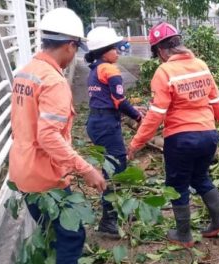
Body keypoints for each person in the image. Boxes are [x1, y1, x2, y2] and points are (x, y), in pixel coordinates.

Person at [9, 8, 106, 264]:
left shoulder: (26, 72)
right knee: (72, 236)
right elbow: (49, 136)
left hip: (23, 172)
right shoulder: (53, 81)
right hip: (45, 179)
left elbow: (20, 124)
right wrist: (86, 169)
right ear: (70, 46)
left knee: (53, 233)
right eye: (76, 48)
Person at [127, 22, 219, 248]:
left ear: (160, 50)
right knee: (200, 177)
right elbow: (217, 102)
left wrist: (136, 143)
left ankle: (183, 235)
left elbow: (156, 115)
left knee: (177, 185)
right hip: (208, 135)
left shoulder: (164, 71)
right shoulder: (201, 65)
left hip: (181, 139)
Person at [84, 26, 145, 238]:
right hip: (106, 124)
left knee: (113, 165)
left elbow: (108, 99)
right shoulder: (110, 70)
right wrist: (138, 116)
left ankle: (121, 209)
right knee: (116, 167)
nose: (118, 52)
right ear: (103, 50)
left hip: (96, 121)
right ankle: (109, 220)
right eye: (115, 48)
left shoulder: (95, 68)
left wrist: (134, 109)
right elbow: (119, 101)